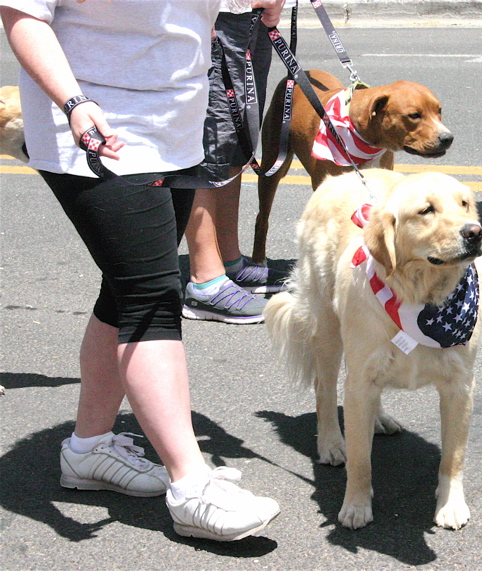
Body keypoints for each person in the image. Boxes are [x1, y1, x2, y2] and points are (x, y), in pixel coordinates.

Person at [0, 0, 282, 542]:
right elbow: (23, 15)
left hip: (177, 118)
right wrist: (74, 101)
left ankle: (88, 448)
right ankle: (191, 484)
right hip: (92, 121)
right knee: (151, 294)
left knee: (126, 284)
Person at [182, 0, 289, 324]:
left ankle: (228, 259)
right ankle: (205, 278)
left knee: (236, 138)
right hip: (215, 11)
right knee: (208, 138)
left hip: (248, 12)